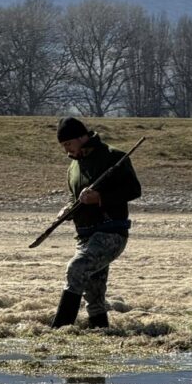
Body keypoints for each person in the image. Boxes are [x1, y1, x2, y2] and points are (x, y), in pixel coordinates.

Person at [52, 117, 141, 329]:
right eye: (63, 145)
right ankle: (100, 329)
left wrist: (100, 198)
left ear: (82, 137)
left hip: (111, 232)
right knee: (94, 292)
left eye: (68, 144)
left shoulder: (113, 157)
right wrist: (68, 210)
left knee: (76, 268)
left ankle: (60, 328)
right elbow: (75, 198)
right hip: (84, 235)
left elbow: (134, 190)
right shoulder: (73, 167)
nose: (66, 149)